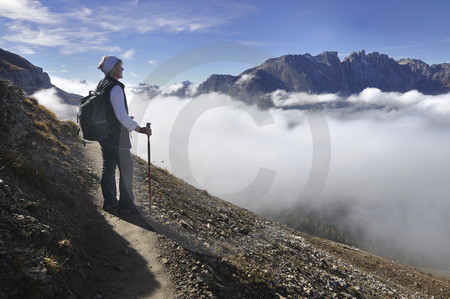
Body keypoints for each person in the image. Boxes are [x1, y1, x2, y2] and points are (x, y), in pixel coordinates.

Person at [97, 55, 151, 214]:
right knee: (127, 169)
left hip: (103, 135)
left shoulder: (102, 84)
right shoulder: (115, 88)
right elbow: (121, 116)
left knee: (108, 168)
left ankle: (110, 203)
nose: (123, 69)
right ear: (114, 69)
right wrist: (140, 129)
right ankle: (127, 207)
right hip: (116, 137)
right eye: (120, 67)